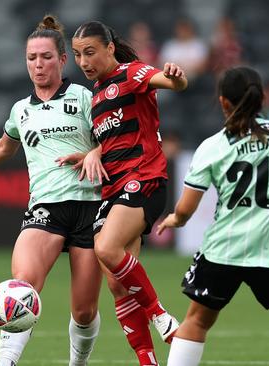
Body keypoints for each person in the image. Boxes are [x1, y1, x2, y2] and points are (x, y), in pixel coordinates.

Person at [0, 15, 103, 366]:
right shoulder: (21, 110)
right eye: (32, 58)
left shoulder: (83, 97)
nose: (38, 64)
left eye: (46, 57)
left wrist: (95, 152)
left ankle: (77, 363)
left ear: (63, 60)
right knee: (22, 285)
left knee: (83, 310)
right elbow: (5, 146)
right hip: (45, 208)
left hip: (90, 206)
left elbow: (114, 139)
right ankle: (5, 363)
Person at [157, 66, 269, 366]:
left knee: (197, 319)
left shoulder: (212, 147)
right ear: (263, 99)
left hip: (223, 250)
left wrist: (175, 220)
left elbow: (185, 209)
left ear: (223, 102)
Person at [67, 20, 188, 366]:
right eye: (77, 55)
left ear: (109, 48)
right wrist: (93, 152)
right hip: (113, 189)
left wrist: (177, 77)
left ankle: (161, 314)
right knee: (119, 287)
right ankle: (147, 362)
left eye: (90, 52)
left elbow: (173, 83)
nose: (84, 61)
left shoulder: (131, 73)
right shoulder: (96, 98)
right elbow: (111, 141)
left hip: (144, 180)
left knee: (106, 247)